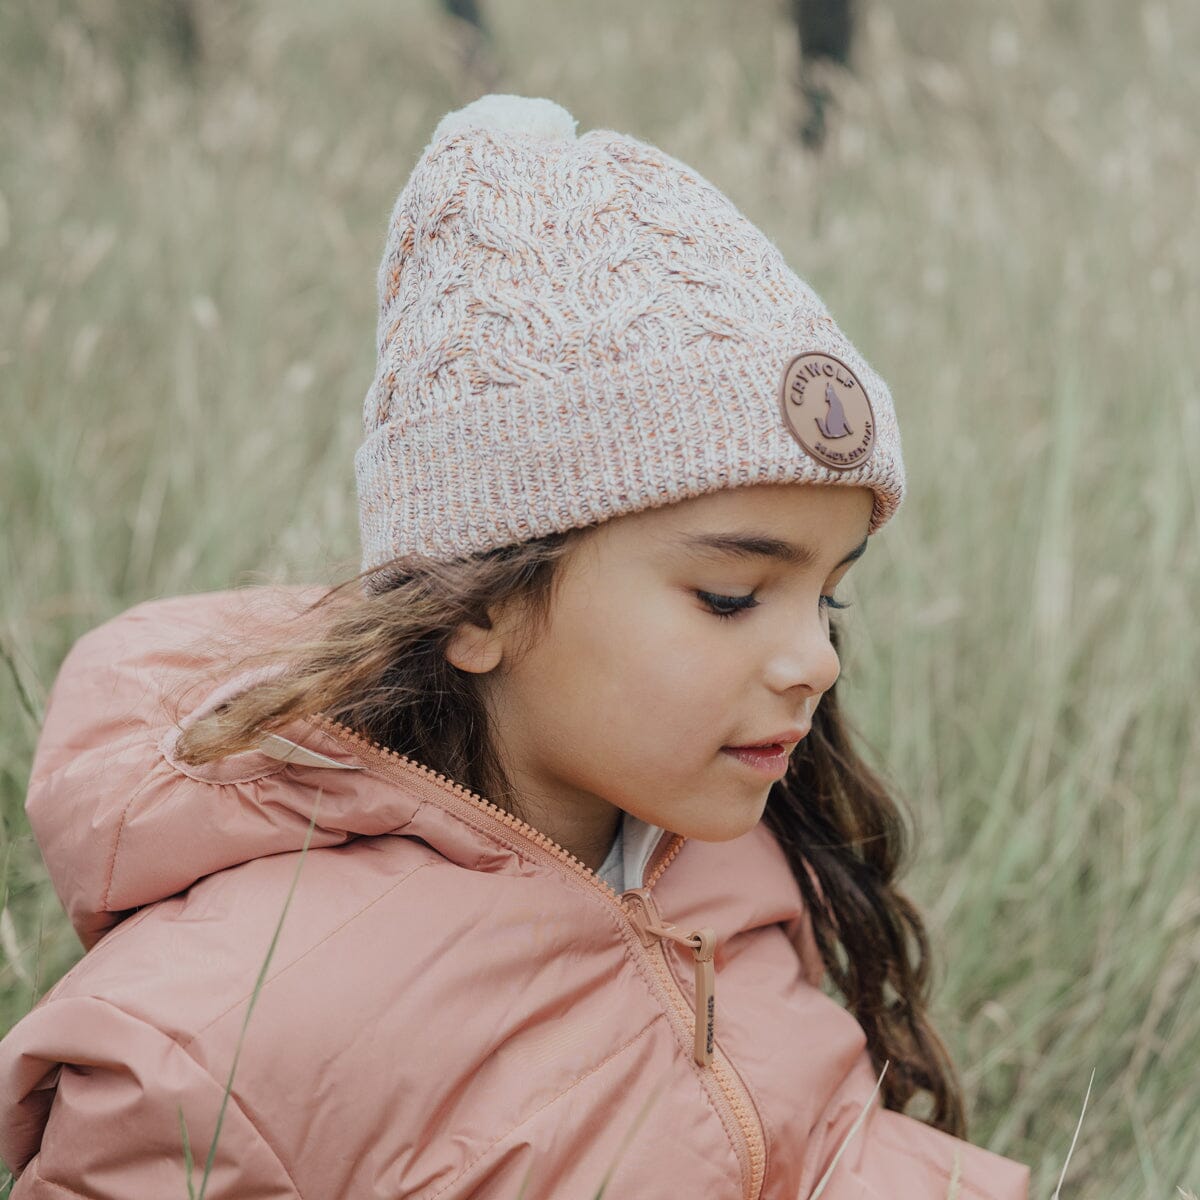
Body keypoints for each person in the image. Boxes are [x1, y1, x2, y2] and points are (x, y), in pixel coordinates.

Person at [0, 94, 1030, 1198]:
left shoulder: (728, 855)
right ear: (479, 607)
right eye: (732, 596)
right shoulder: (217, 1038)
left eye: (827, 600)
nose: (813, 663)